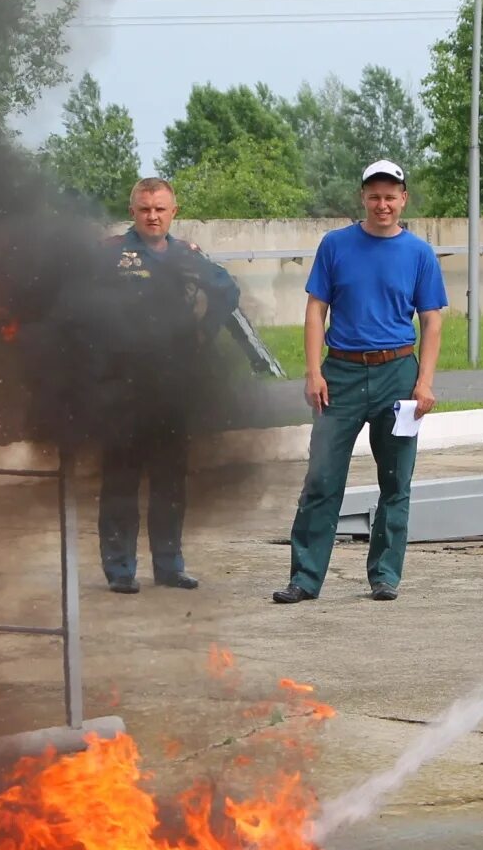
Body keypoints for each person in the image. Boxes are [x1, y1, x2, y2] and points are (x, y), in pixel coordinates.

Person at [273, 160, 447, 604]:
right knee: (322, 478)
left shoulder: (420, 254)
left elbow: (431, 321)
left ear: (403, 199)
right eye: (374, 196)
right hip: (342, 375)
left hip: (397, 376)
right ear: (363, 198)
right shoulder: (335, 246)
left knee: (395, 480)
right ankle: (305, 578)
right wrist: (314, 371)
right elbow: (316, 310)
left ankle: (385, 574)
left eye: (391, 196)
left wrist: (424, 382)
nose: (382, 204)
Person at [96, 177, 243, 593]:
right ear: (133, 212)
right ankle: (120, 569)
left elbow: (227, 291)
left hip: (173, 385)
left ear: (173, 211)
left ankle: (169, 565)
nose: (153, 216)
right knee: (121, 481)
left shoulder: (187, 256)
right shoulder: (110, 255)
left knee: (170, 480)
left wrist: (203, 334)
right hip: (122, 385)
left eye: (160, 208)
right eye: (145, 209)